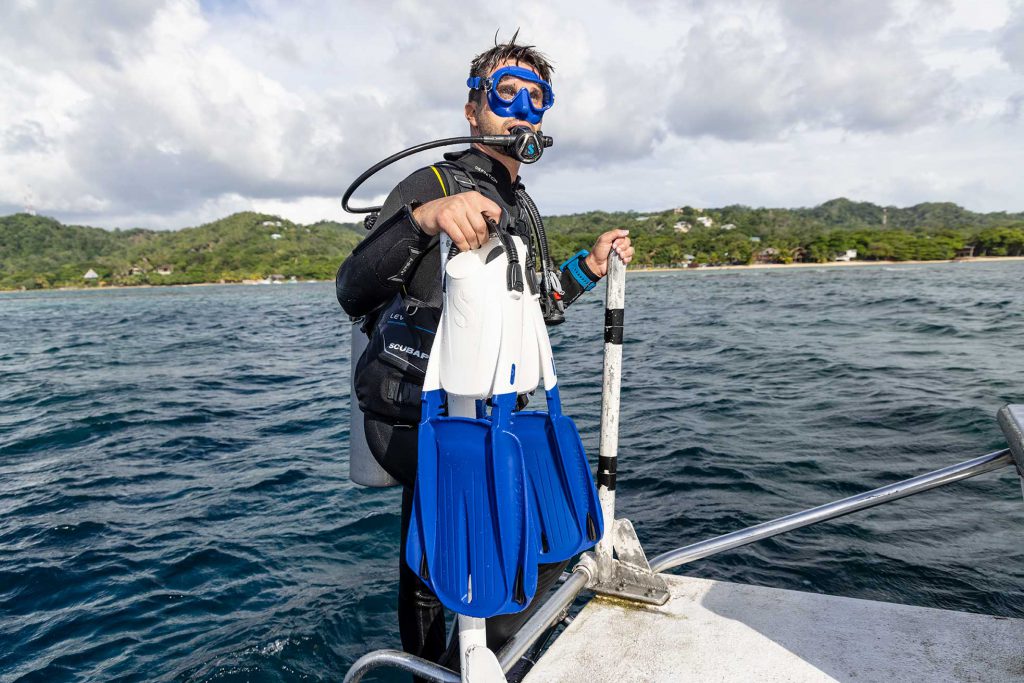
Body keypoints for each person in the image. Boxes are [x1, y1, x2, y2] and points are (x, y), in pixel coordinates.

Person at [335, 36, 633, 674]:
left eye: (537, 98)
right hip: (420, 414)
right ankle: (444, 663)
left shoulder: (519, 202)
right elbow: (352, 285)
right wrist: (427, 216)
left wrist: (590, 264)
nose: (522, 109)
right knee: (452, 542)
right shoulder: (432, 182)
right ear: (473, 110)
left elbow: (541, 304)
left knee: (545, 528)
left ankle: (469, 652)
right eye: (506, 94)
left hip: (493, 407)